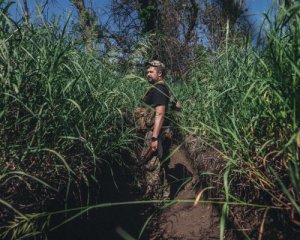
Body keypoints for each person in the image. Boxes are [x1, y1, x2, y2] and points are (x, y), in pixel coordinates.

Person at [135, 60, 173, 199]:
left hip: (156, 133)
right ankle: (164, 196)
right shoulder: (162, 88)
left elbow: (160, 113)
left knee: (151, 166)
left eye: (151, 72)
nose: (148, 74)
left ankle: (154, 201)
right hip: (160, 132)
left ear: (160, 73)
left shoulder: (159, 89)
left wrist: (155, 138)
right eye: (147, 72)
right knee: (160, 165)